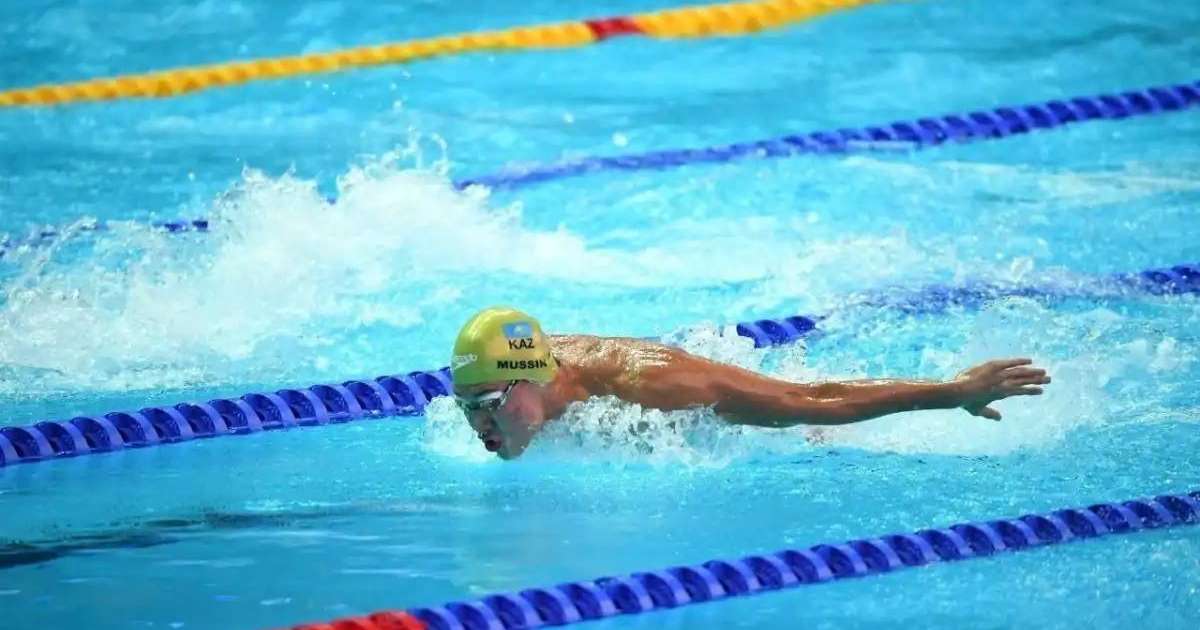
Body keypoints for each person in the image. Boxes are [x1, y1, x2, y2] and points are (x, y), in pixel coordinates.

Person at [451, 306, 1051, 460]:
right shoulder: (533, 382)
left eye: (486, 406)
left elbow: (803, 402)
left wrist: (951, 392)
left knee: (795, 420)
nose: (479, 428)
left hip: (788, 431)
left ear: (528, 380)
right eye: (466, 408)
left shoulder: (648, 384)